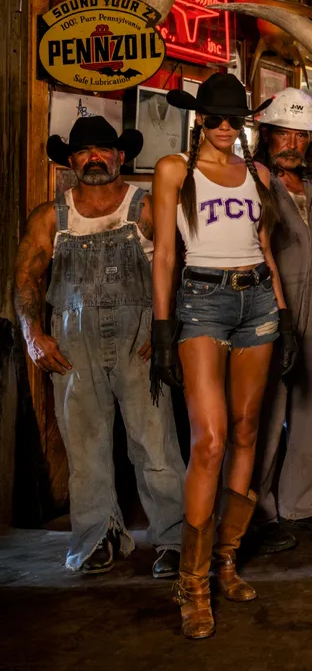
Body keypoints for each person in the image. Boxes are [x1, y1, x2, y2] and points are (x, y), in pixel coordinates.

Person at [150, 74, 292, 639]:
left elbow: (265, 248)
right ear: (199, 119)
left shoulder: (257, 175)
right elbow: (164, 253)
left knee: (245, 429)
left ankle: (227, 558)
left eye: (236, 120)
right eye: (217, 119)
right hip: (202, 302)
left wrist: (283, 311)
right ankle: (193, 580)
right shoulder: (174, 171)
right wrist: (164, 327)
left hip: (256, 298)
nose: (227, 130)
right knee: (206, 439)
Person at [15, 117, 185, 578]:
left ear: (120, 157)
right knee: (85, 447)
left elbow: (178, 267)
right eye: (83, 151)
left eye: (103, 150)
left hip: (140, 341)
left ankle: (173, 538)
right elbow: (27, 277)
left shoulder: (145, 207)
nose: (94, 158)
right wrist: (33, 334)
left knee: (155, 446)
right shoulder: (51, 216)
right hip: (72, 344)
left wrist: (166, 327)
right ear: (70, 161)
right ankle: (97, 538)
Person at [249, 88, 312, 554]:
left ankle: (303, 503)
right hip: (269, 305)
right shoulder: (253, 182)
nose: (292, 143)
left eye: (301, 135)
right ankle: (257, 509)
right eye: (283, 133)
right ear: (265, 135)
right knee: (268, 410)